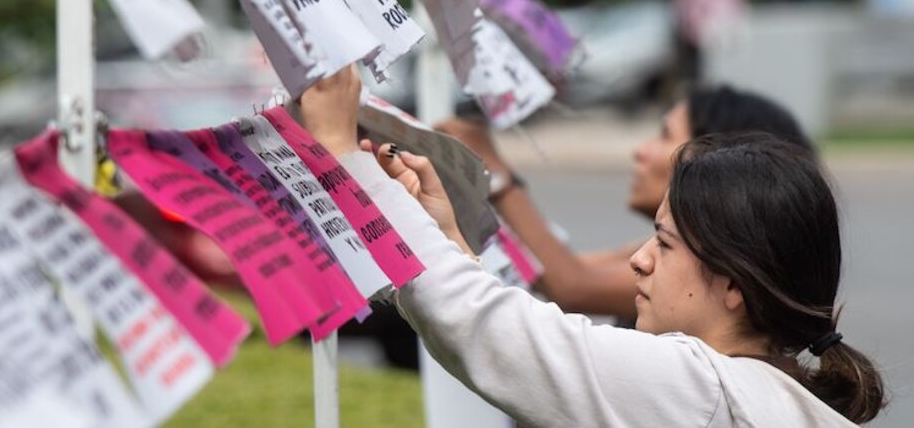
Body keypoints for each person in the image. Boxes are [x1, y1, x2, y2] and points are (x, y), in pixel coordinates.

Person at [297, 67, 886, 427]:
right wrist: (449, 239)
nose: (639, 258)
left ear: (736, 284)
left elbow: (498, 333)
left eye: (664, 243)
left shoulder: (699, 386)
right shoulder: (761, 391)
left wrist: (342, 154)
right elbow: (516, 330)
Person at [435, 86, 814, 318]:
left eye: (665, 136)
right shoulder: (651, 252)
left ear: (719, 160)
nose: (641, 151)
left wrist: (497, 175)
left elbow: (570, 284)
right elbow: (545, 270)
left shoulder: (692, 271)